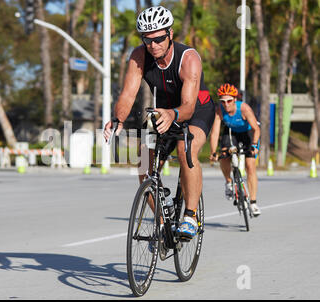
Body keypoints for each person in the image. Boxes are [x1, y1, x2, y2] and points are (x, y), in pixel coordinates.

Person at [103, 6, 215, 239]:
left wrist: (173, 114)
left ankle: (191, 216)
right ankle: (163, 223)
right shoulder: (139, 55)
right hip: (161, 112)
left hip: (195, 110)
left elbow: (187, 106)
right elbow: (127, 94)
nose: (153, 45)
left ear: (170, 34)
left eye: (158, 39)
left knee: (186, 149)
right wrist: (118, 119)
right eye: (147, 40)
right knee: (144, 164)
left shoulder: (189, 58)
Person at [209, 83, 261, 216]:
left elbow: (256, 129)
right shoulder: (219, 110)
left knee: (250, 166)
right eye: (223, 101)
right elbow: (215, 132)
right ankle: (228, 182)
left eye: (229, 101)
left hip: (248, 133)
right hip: (231, 132)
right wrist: (213, 152)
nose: (226, 104)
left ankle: (253, 202)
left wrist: (254, 145)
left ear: (235, 99)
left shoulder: (244, 108)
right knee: (224, 154)